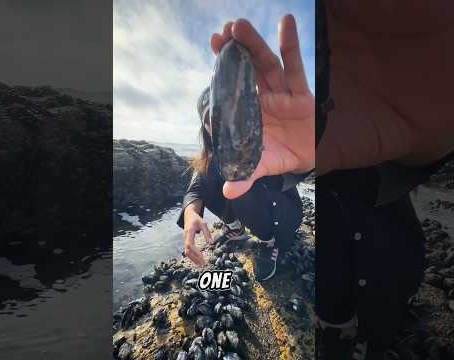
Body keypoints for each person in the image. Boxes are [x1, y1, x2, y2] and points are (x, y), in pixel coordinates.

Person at [204, 5, 454, 360]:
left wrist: (429, 142)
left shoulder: (354, 126)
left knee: (384, 318)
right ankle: (339, 329)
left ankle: (369, 331)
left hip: (389, 262)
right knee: (336, 315)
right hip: (335, 277)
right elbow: (203, 183)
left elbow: (404, 161)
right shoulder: (238, 153)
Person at [177, 85, 309, 281]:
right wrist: (190, 215)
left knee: (238, 182)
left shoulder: (267, 139)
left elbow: (301, 168)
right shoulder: (213, 156)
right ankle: (235, 227)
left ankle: (269, 241)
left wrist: (306, 157)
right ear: (206, 127)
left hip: (285, 215)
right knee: (208, 174)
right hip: (254, 209)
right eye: (211, 118)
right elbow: (195, 189)